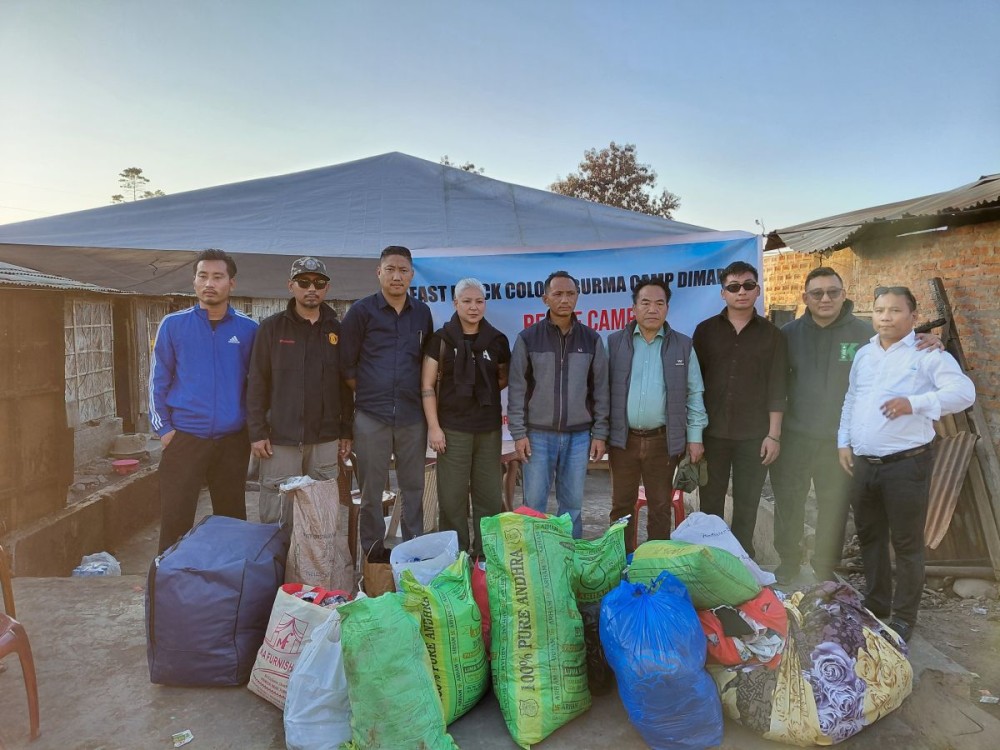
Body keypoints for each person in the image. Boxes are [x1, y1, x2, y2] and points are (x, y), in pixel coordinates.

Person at [838, 286, 974, 642]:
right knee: (869, 536)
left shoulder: (928, 353)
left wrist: (914, 403)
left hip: (905, 465)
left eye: (895, 310)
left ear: (913, 317)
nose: (885, 317)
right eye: (879, 309)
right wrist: (843, 442)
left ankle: (903, 617)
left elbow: (963, 393)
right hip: (864, 463)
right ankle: (877, 603)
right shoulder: (865, 354)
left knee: (907, 543)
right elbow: (852, 398)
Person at [769, 267, 874, 584]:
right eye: (817, 293)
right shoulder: (788, 335)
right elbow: (776, 386)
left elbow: (897, 351)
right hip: (795, 437)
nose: (825, 298)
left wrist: (924, 340)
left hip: (840, 442)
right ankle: (788, 562)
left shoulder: (865, 334)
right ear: (805, 298)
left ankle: (825, 567)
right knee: (789, 502)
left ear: (844, 294)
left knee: (834, 506)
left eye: (833, 292)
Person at [150, 248, 258, 553]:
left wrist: (251, 431)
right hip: (184, 437)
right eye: (202, 276)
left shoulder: (248, 330)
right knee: (175, 519)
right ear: (194, 281)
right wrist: (165, 430)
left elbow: (256, 384)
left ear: (231, 284)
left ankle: (231, 586)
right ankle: (168, 586)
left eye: (217, 277)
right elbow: (158, 378)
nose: (209, 283)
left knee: (232, 519)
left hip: (231, 440)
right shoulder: (173, 325)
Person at [341, 246, 433, 559]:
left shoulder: (422, 313)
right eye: (390, 269)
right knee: (371, 493)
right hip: (371, 416)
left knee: (413, 490)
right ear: (379, 272)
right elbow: (347, 366)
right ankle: (374, 555)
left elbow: (426, 362)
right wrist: (371, 391)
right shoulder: (361, 311)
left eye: (403, 270)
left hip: (411, 416)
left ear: (411, 275)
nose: (397, 276)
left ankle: (412, 553)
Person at [246, 257, 353, 525]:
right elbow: (257, 381)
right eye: (304, 282)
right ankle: (276, 567)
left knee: (322, 514)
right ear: (291, 286)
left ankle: (316, 568)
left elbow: (344, 385)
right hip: (280, 439)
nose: (311, 288)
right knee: (279, 513)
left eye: (319, 283)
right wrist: (257, 432)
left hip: (325, 439)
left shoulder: (337, 331)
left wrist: (345, 430)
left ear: (327, 289)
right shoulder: (271, 328)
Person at [693, 260, 787, 559]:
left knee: (748, 502)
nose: (741, 292)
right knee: (710, 502)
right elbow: (694, 387)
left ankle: (742, 560)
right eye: (733, 287)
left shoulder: (772, 335)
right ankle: (712, 558)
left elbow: (778, 387)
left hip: (754, 435)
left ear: (757, 290)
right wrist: (694, 435)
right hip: (713, 434)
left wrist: (774, 435)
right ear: (723, 294)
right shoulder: (705, 331)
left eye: (748, 285)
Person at [607, 278, 708, 552]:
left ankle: (654, 564)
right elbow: (601, 392)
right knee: (621, 508)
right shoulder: (615, 343)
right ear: (634, 308)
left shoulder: (683, 346)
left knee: (661, 507)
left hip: (663, 442)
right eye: (646, 303)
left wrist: (695, 437)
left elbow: (695, 393)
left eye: (659, 303)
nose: (652, 309)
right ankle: (622, 565)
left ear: (667, 308)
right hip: (623, 440)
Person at [507, 270, 610, 539]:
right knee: (534, 507)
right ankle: (534, 563)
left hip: (578, 436)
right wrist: (519, 434)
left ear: (577, 297)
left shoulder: (591, 339)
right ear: (545, 299)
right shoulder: (528, 338)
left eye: (571, 294)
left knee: (572, 507)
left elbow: (601, 390)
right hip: (538, 435)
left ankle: (570, 561)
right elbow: (517, 389)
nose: (565, 299)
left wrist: (599, 433)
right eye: (558, 294)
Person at [421, 278, 510, 557]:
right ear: (455, 303)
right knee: (452, 498)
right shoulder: (441, 340)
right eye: (467, 301)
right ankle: (456, 555)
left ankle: (486, 556)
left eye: (479, 301)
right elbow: (427, 386)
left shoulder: (497, 340)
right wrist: (434, 428)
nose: (474, 307)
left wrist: (476, 390)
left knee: (489, 498)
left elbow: (503, 377)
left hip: (488, 430)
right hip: (452, 430)